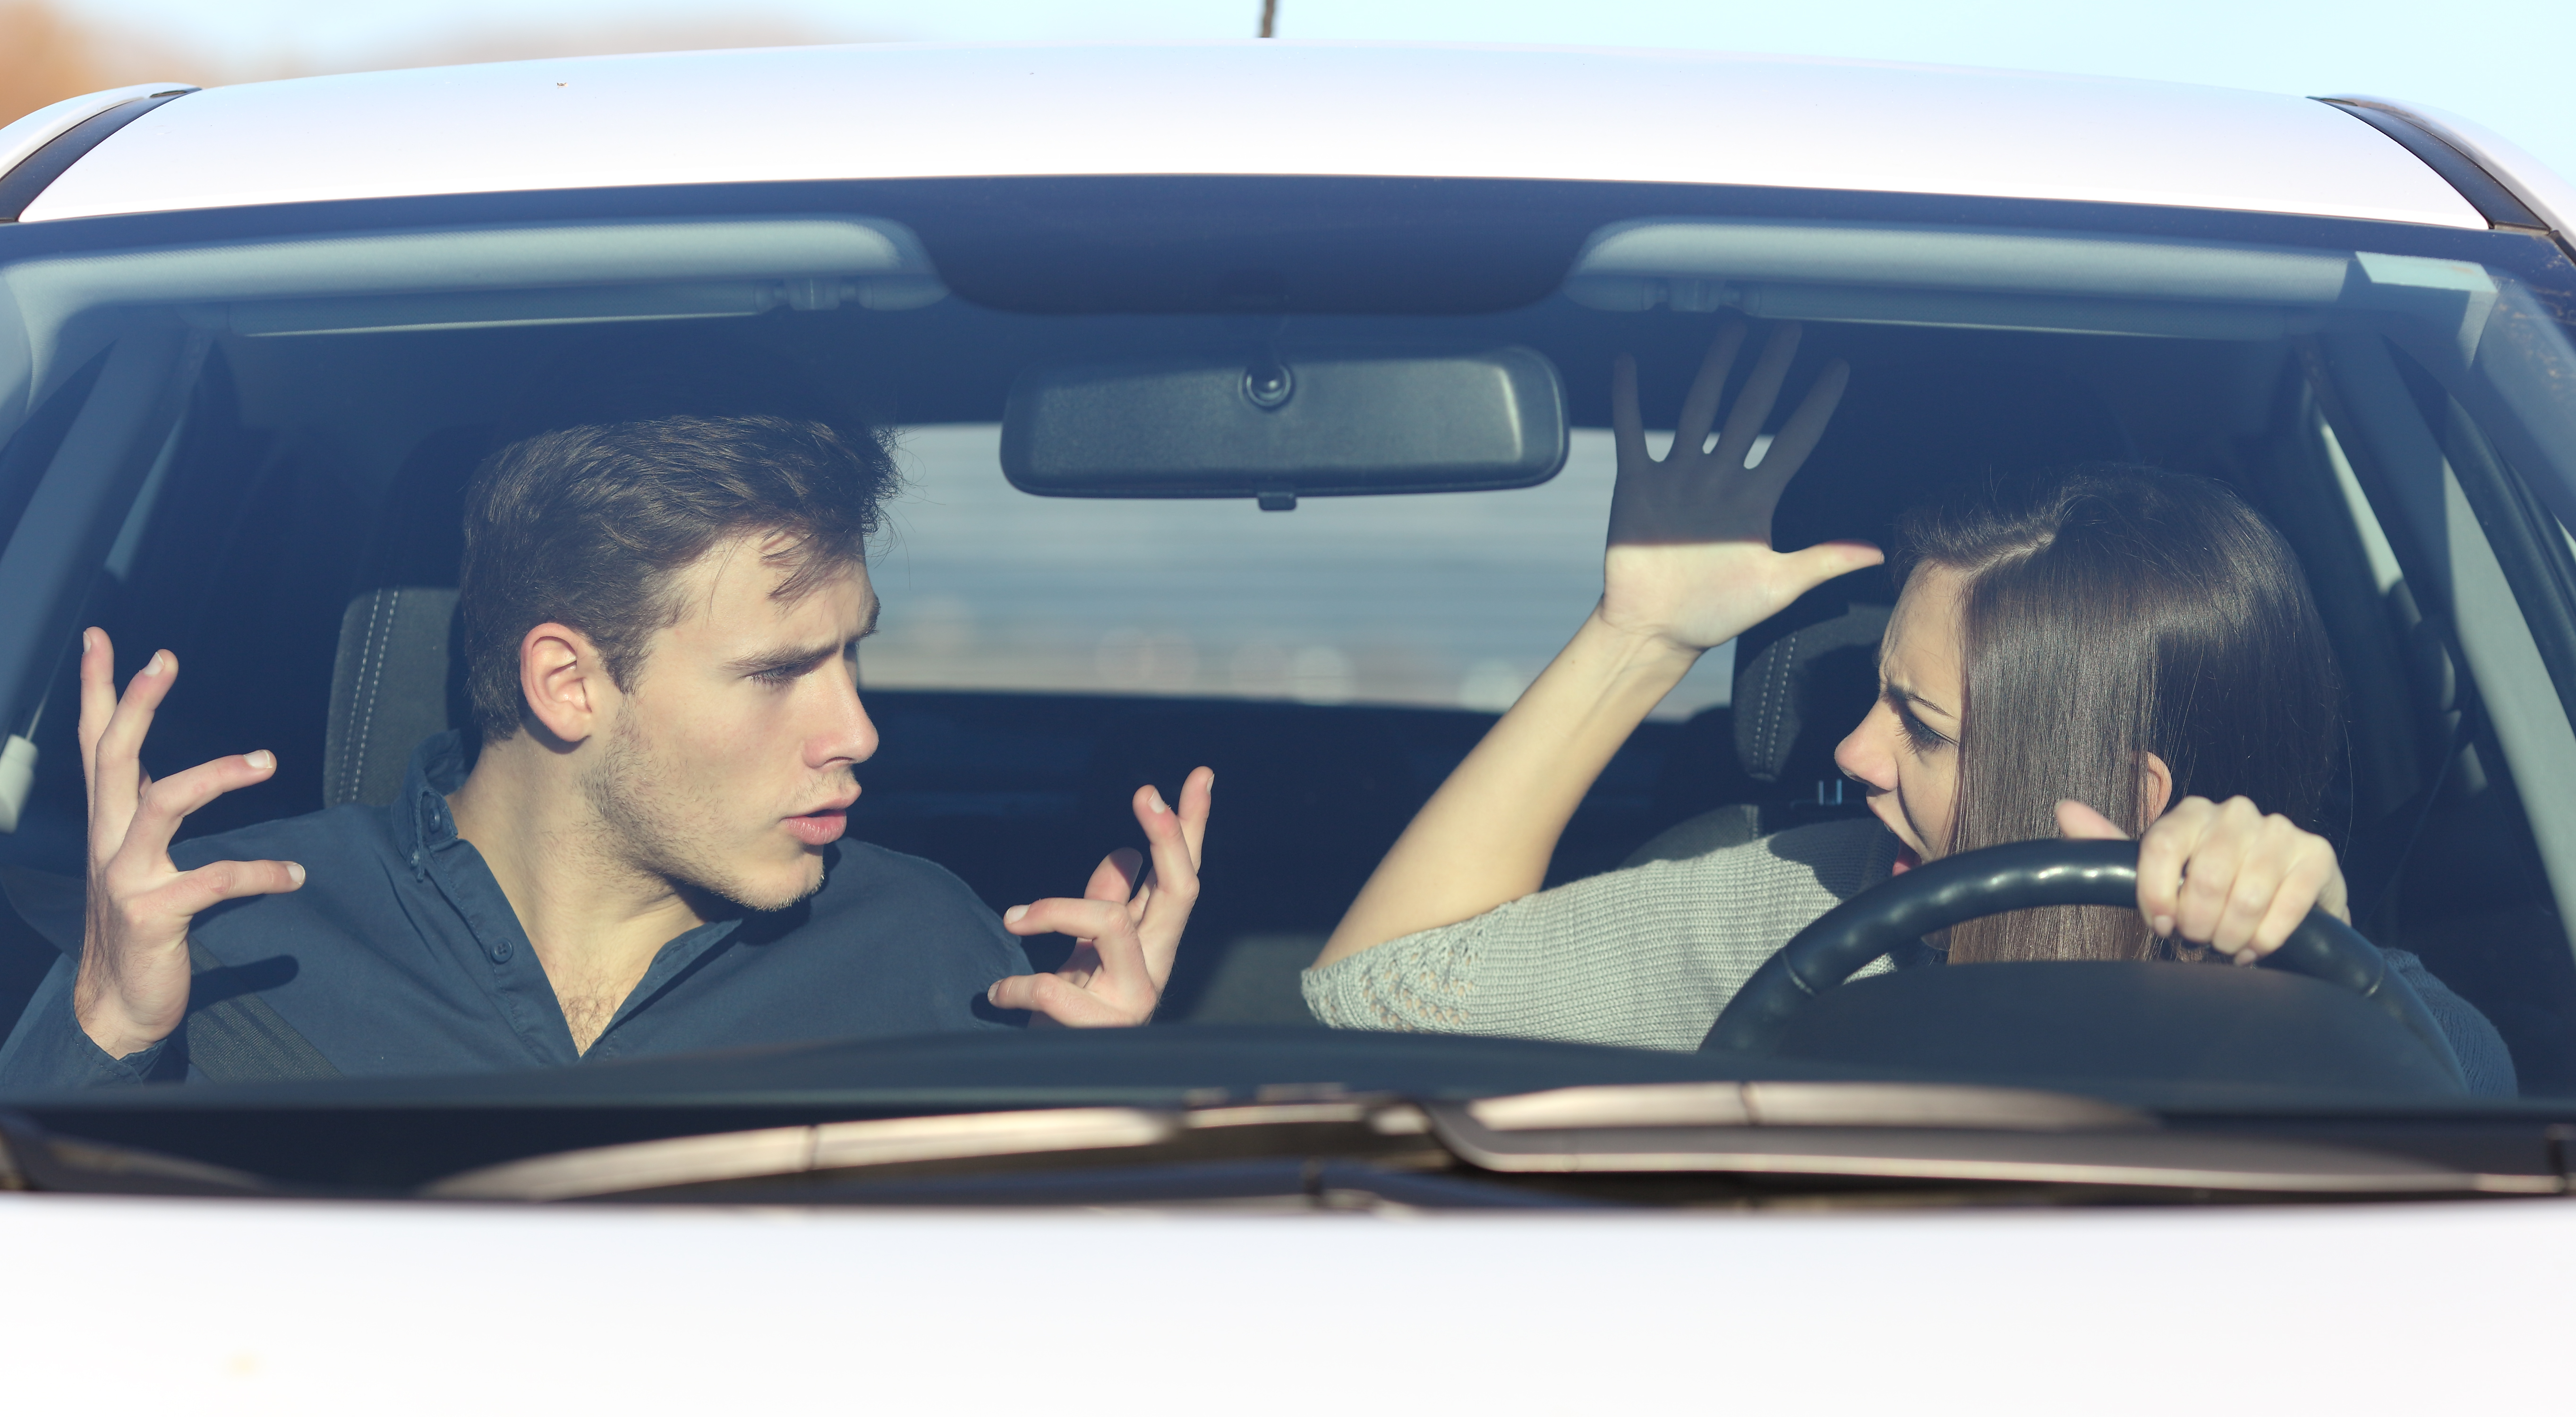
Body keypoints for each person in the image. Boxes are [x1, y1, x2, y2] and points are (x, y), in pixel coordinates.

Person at [1303, 321, 2513, 1094]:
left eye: (1918, 725)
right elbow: (1374, 1004)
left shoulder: (2331, 990)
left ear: (2127, 796)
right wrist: (1638, 640)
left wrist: (2318, 977)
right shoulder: (1802, 890)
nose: (1849, 749)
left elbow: (2471, 1097)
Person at [0, 411, 1209, 1087]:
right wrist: (104, 1025)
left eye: (852, 655)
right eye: (779, 672)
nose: (858, 732)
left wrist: (1088, 1114)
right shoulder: (230, 939)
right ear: (568, 684)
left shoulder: (939, 961)